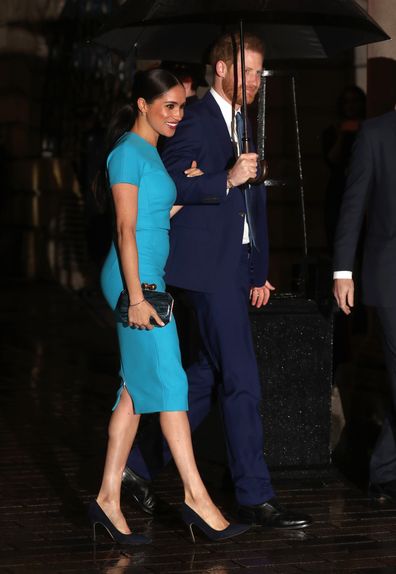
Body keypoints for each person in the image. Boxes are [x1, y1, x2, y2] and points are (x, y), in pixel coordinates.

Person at [123, 34, 312, 529]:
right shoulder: (197, 117)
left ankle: (136, 466)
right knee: (243, 381)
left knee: (207, 376)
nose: (254, 82)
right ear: (222, 69)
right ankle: (254, 494)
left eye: (259, 73)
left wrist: (258, 268)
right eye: (247, 72)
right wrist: (222, 179)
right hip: (206, 270)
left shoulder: (246, 122)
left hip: (236, 265)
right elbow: (165, 185)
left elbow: (253, 204)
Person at [89, 68, 250, 545]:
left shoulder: (153, 155)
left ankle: (106, 500)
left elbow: (158, 212)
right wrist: (136, 296)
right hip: (134, 279)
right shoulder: (126, 154)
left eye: (182, 105)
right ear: (143, 104)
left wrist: (200, 187)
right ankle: (197, 498)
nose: (178, 115)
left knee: (134, 391)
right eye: (170, 106)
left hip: (149, 275)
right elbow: (123, 229)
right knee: (173, 381)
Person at [333, 107, 396, 501]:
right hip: (390, 276)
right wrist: (343, 271)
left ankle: (385, 471)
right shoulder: (375, 134)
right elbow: (352, 204)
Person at [322, 85, 366, 252]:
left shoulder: (370, 129)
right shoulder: (333, 130)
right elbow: (331, 159)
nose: (351, 106)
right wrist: (341, 134)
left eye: (355, 101)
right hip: (339, 187)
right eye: (346, 102)